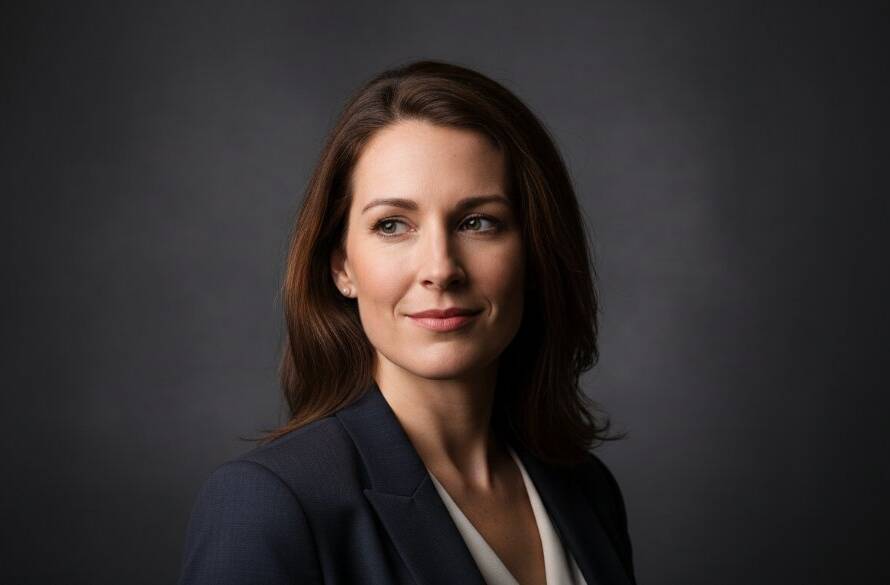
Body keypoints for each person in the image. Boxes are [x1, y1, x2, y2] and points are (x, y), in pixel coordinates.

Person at [178, 59, 637, 585]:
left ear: (534, 251)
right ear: (341, 265)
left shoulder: (585, 489)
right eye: (393, 225)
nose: (440, 269)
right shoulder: (269, 504)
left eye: (478, 222)